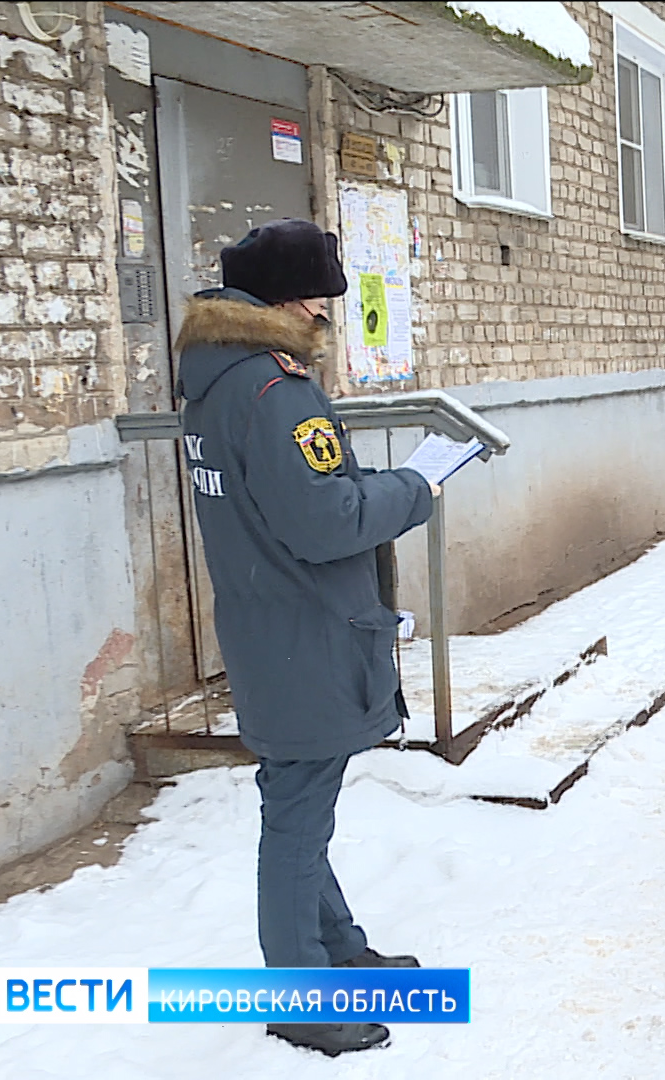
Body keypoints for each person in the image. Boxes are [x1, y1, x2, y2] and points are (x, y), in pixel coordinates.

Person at [177, 219, 439, 1057]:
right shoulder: (273, 389)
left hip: (266, 623)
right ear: (289, 301)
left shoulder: (214, 382)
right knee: (296, 819)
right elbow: (329, 520)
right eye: (320, 304)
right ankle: (299, 993)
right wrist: (416, 484)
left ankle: (335, 951)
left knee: (297, 798)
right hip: (305, 629)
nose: (325, 319)